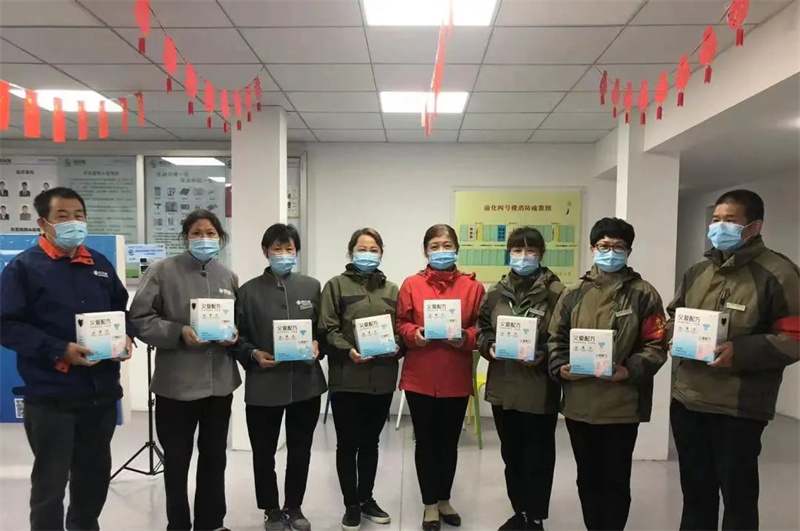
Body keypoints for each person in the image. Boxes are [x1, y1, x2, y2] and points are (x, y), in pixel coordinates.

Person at [0, 187, 135, 531]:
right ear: (43, 223)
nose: (73, 222)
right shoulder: (24, 268)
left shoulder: (99, 264)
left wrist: (127, 335)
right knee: (50, 484)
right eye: (63, 216)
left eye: (79, 215)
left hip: (100, 395)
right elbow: (6, 325)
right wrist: (59, 349)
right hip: (52, 397)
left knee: (93, 478)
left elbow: (121, 309)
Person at [667, 190, 799, 531]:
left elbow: (795, 336)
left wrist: (740, 352)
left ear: (754, 227)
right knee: (695, 494)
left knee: (738, 497)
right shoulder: (698, 271)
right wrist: (673, 334)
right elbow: (674, 315)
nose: (719, 227)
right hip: (688, 400)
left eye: (730, 220)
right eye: (715, 220)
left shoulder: (779, 273)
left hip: (738, 408)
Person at [548, 217, 668, 531]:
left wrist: (629, 370)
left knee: (615, 479)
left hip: (622, 406)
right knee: (587, 477)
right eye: (604, 246)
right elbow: (555, 338)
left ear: (629, 251)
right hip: (579, 404)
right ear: (592, 248)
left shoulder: (644, 294)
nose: (610, 252)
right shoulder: (573, 293)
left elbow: (657, 344)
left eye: (618, 246)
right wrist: (560, 367)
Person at [129, 209, 240, 531]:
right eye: (197, 233)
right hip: (175, 385)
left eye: (211, 233)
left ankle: (211, 522)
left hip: (219, 383)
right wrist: (178, 332)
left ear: (220, 238)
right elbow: (139, 319)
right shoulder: (163, 271)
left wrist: (234, 334)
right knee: (177, 461)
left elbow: (239, 322)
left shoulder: (228, 276)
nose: (204, 239)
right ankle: (178, 524)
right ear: (185, 237)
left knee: (215, 457)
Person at [235, 223, 327, 531]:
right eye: (277, 248)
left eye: (289, 248)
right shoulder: (247, 292)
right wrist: (253, 354)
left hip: (305, 384)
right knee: (264, 452)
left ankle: (294, 506)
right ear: (266, 251)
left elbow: (324, 330)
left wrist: (318, 345)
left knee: (300, 450)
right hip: (264, 385)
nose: (284, 254)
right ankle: (271, 509)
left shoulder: (312, 287)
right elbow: (237, 337)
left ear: (297, 251)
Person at [397, 224, 486, 531]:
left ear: (457, 248)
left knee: (449, 443)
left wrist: (465, 337)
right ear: (426, 251)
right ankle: (430, 505)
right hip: (420, 377)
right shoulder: (411, 284)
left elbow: (481, 329)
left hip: (455, 377)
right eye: (434, 245)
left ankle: (445, 499)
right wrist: (414, 334)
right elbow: (401, 323)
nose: (441, 251)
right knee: (425, 442)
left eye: (447, 245)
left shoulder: (473, 287)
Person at [477, 227, 564, 531]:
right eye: (517, 250)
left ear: (541, 255)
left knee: (538, 456)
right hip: (503, 387)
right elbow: (482, 328)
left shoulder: (557, 293)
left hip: (538, 388)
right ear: (508, 254)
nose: (523, 257)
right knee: (511, 454)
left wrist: (543, 354)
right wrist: (488, 346)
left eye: (530, 251)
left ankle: (536, 517)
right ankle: (520, 511)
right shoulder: (495, 292)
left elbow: (563, 337)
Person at [320, 228, 402, 531]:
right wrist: (349, 350)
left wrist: (397, 346)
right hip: (347, 379)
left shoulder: (392, 290)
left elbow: (401, 329)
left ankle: (366, 498)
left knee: (371, 443)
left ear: (381, 253)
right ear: (350, 252)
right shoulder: (335, 286)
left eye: (373, 249)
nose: (368, 254)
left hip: (381, 380)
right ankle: (351, 505)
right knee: (347, 444)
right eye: (361, 248)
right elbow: (328, 329)